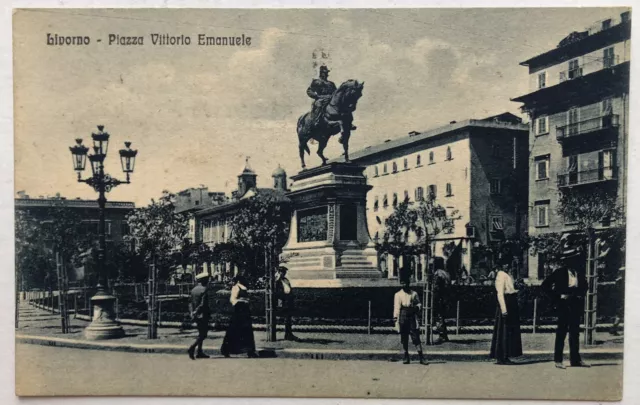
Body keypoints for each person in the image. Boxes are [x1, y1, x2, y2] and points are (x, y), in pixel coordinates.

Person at [542, 234, 590, 369]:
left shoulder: (579, 273)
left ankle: (576, 360)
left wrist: (580, 295)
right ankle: (558, 360)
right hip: (563, 306)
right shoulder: (559, 272)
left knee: (574, 333)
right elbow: (545, 286)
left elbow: (585, 286)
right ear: (567, 261)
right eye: (573, 260)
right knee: (561, 333)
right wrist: (558, 297)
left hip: (575, 305)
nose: (575, 262)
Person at [489, 257, 523, 365]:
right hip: (506, 303)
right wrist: (504, 309)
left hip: (511, 302)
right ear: (501, 265)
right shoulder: (501, 275)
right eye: (505, 264)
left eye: (508, 264)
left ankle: (506, 355)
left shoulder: (508, 275)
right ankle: (502, 356)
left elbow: (510, 289)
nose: (507, 266)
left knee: (510, 330)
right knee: (503, 331)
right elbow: (500, 293)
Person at [393, 266, 427, 365]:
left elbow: (419, 304)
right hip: (403, 315)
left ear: (409, 283)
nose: (404, 285)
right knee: (404, 337)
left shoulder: (414, 294)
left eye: (406, 283)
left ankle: (421, 357)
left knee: (415, 336)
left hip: (412, 315)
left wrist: (417, 308)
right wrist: (396, 320)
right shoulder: (398, 294)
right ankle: (406, 356)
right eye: (402, 283)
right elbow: (396, 308)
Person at [221, 274, 258, 358]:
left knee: (247, 331)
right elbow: (232, 300)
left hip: (245, 311)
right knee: (234, 330)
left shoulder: (243, 288)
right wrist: (242, 300)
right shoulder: (236, 287)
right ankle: (227, 350)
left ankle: (249, 350)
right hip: (239, 311)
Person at [188, 272, 211, 360]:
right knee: (203, 334)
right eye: (207, 279)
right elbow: (202, 304)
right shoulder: (204, 289)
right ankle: (192, 348)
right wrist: (196, 312)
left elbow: (190, 302)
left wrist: (192, 312)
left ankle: (199, 352)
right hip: (203, 314)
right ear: (204, 280)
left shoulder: (193, 290)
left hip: (195, 315)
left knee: (200, 333)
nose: (208, 281)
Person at [275, 266, 299, 341]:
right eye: (282, 272)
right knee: (286, 318)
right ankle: (287, 334)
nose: (283, 273)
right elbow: (277, 293)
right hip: (282, 301)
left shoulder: (286, 280)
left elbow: (289, 289)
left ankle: (289, 334)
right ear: (279, 272)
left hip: (289, 300)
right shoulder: (277, 281)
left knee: (288, 318)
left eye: (284, 272)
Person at [432, 257, 451, 344]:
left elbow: (436, 288)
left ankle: (442, 335)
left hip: (439, 297)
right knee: (442, 317)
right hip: (446, 297)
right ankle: (444, 335)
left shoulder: (437, 274)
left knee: (438, 317)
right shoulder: (446, 273)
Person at [609, 266, 625, 336]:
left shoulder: (619, 280)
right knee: (619, 315)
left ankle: (613, 329)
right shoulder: (620, 281)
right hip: (621, 299)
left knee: (619, 315)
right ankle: (613, 328)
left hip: (620, 299)